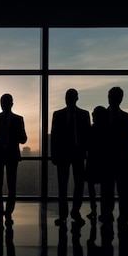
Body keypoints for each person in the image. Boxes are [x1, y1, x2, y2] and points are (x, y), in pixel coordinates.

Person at [51, 88, 91, 227]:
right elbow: (54, 136)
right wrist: (54, 155)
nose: (69, 99)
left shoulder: (80, 114)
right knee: (66, 185)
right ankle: (69, 213)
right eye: (68, 97)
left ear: (75, 98)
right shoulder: (81, 114)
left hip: (75, 154)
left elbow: (87, 136)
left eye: (70, 97)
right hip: (70, 154)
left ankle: (71, 212)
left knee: (75, 184)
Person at [0, 93, 28, 226]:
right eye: (3, 102)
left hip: (5, 155)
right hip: (4, 155)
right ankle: (3, 213)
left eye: (5, 102)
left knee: (9, 185)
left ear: (10, 103)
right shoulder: (12, 119)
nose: (4, 104)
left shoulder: (13, 119)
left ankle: (6, 212)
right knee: (2, 185)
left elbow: (23, 139)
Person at [102, 86, 128, 234]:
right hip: (116, 161)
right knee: (117, 192)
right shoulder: (126, 117)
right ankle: (118, 220)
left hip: (115, 161)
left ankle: (116, 219)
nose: (112, 99)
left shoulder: (106, 116)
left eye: (113, 96)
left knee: (117, 192)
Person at [85, 105, 109, 220]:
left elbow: (87, 145)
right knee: (104, 188)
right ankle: (104, 211)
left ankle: (94, 209)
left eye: (94, 113)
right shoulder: (107, 130)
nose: (92, 115)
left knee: (92, 187)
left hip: (93, 161)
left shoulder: (90, 129)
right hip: (103, 162)